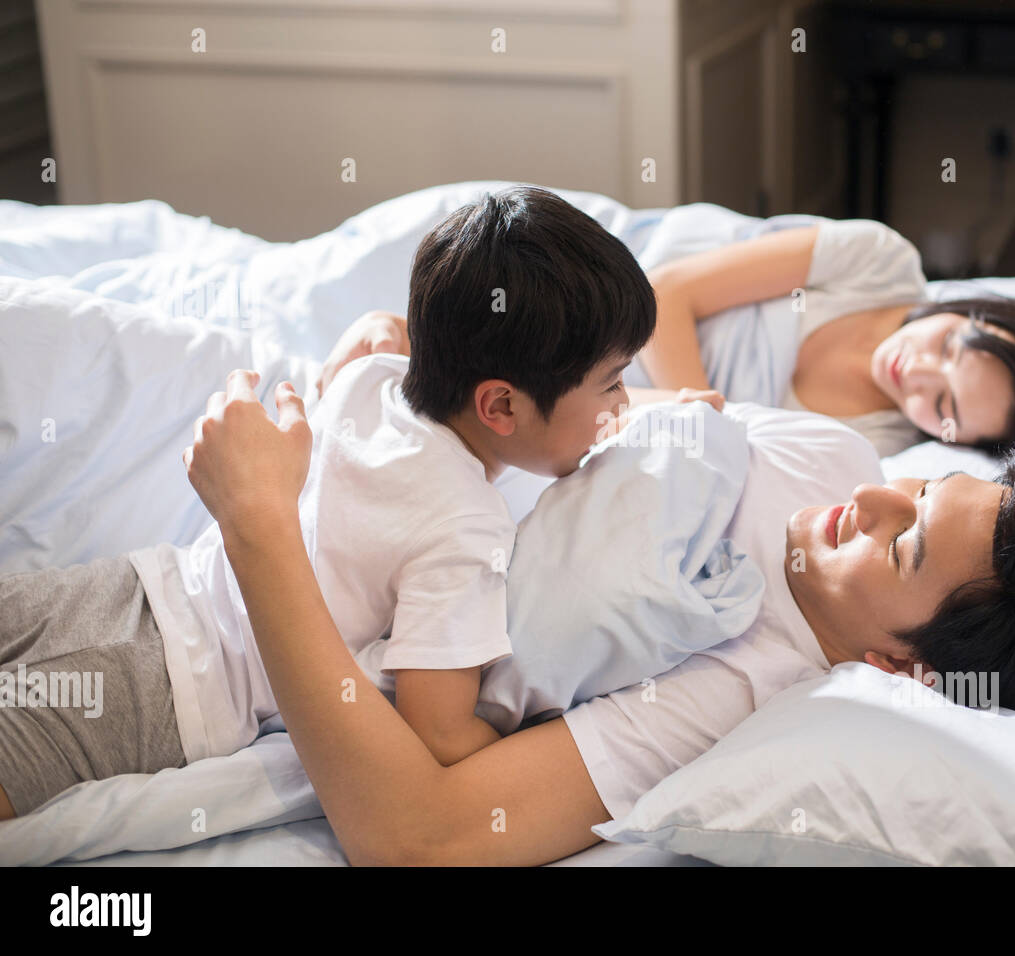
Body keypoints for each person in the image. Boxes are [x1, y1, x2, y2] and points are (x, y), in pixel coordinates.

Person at [46, 365, 1015, 864]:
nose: (870, 495)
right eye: (919, 485)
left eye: (904, 542)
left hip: (189, 661)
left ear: (903, 665)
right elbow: (635, 415)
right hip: (148, 575)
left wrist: (260, 527)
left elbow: (421, 837)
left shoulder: (735, 686)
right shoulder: (825, 454)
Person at [0, 185, 718, 819]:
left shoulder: (374, 378)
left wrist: (664, 404)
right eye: (615, 382)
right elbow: (437, 731)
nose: (619, 407)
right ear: (499, 403)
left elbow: (416, 343)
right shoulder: (467, 532)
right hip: (171, 692)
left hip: (136, 586)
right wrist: (534, 738)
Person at [634, 221, 1015, 456]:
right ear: (977, 311)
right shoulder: (879, 262)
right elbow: (665, 293)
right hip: (617, 284)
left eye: (941, 405)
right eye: (949, 346)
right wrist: (697, 414)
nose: (915, 371)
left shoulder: (871, 446)